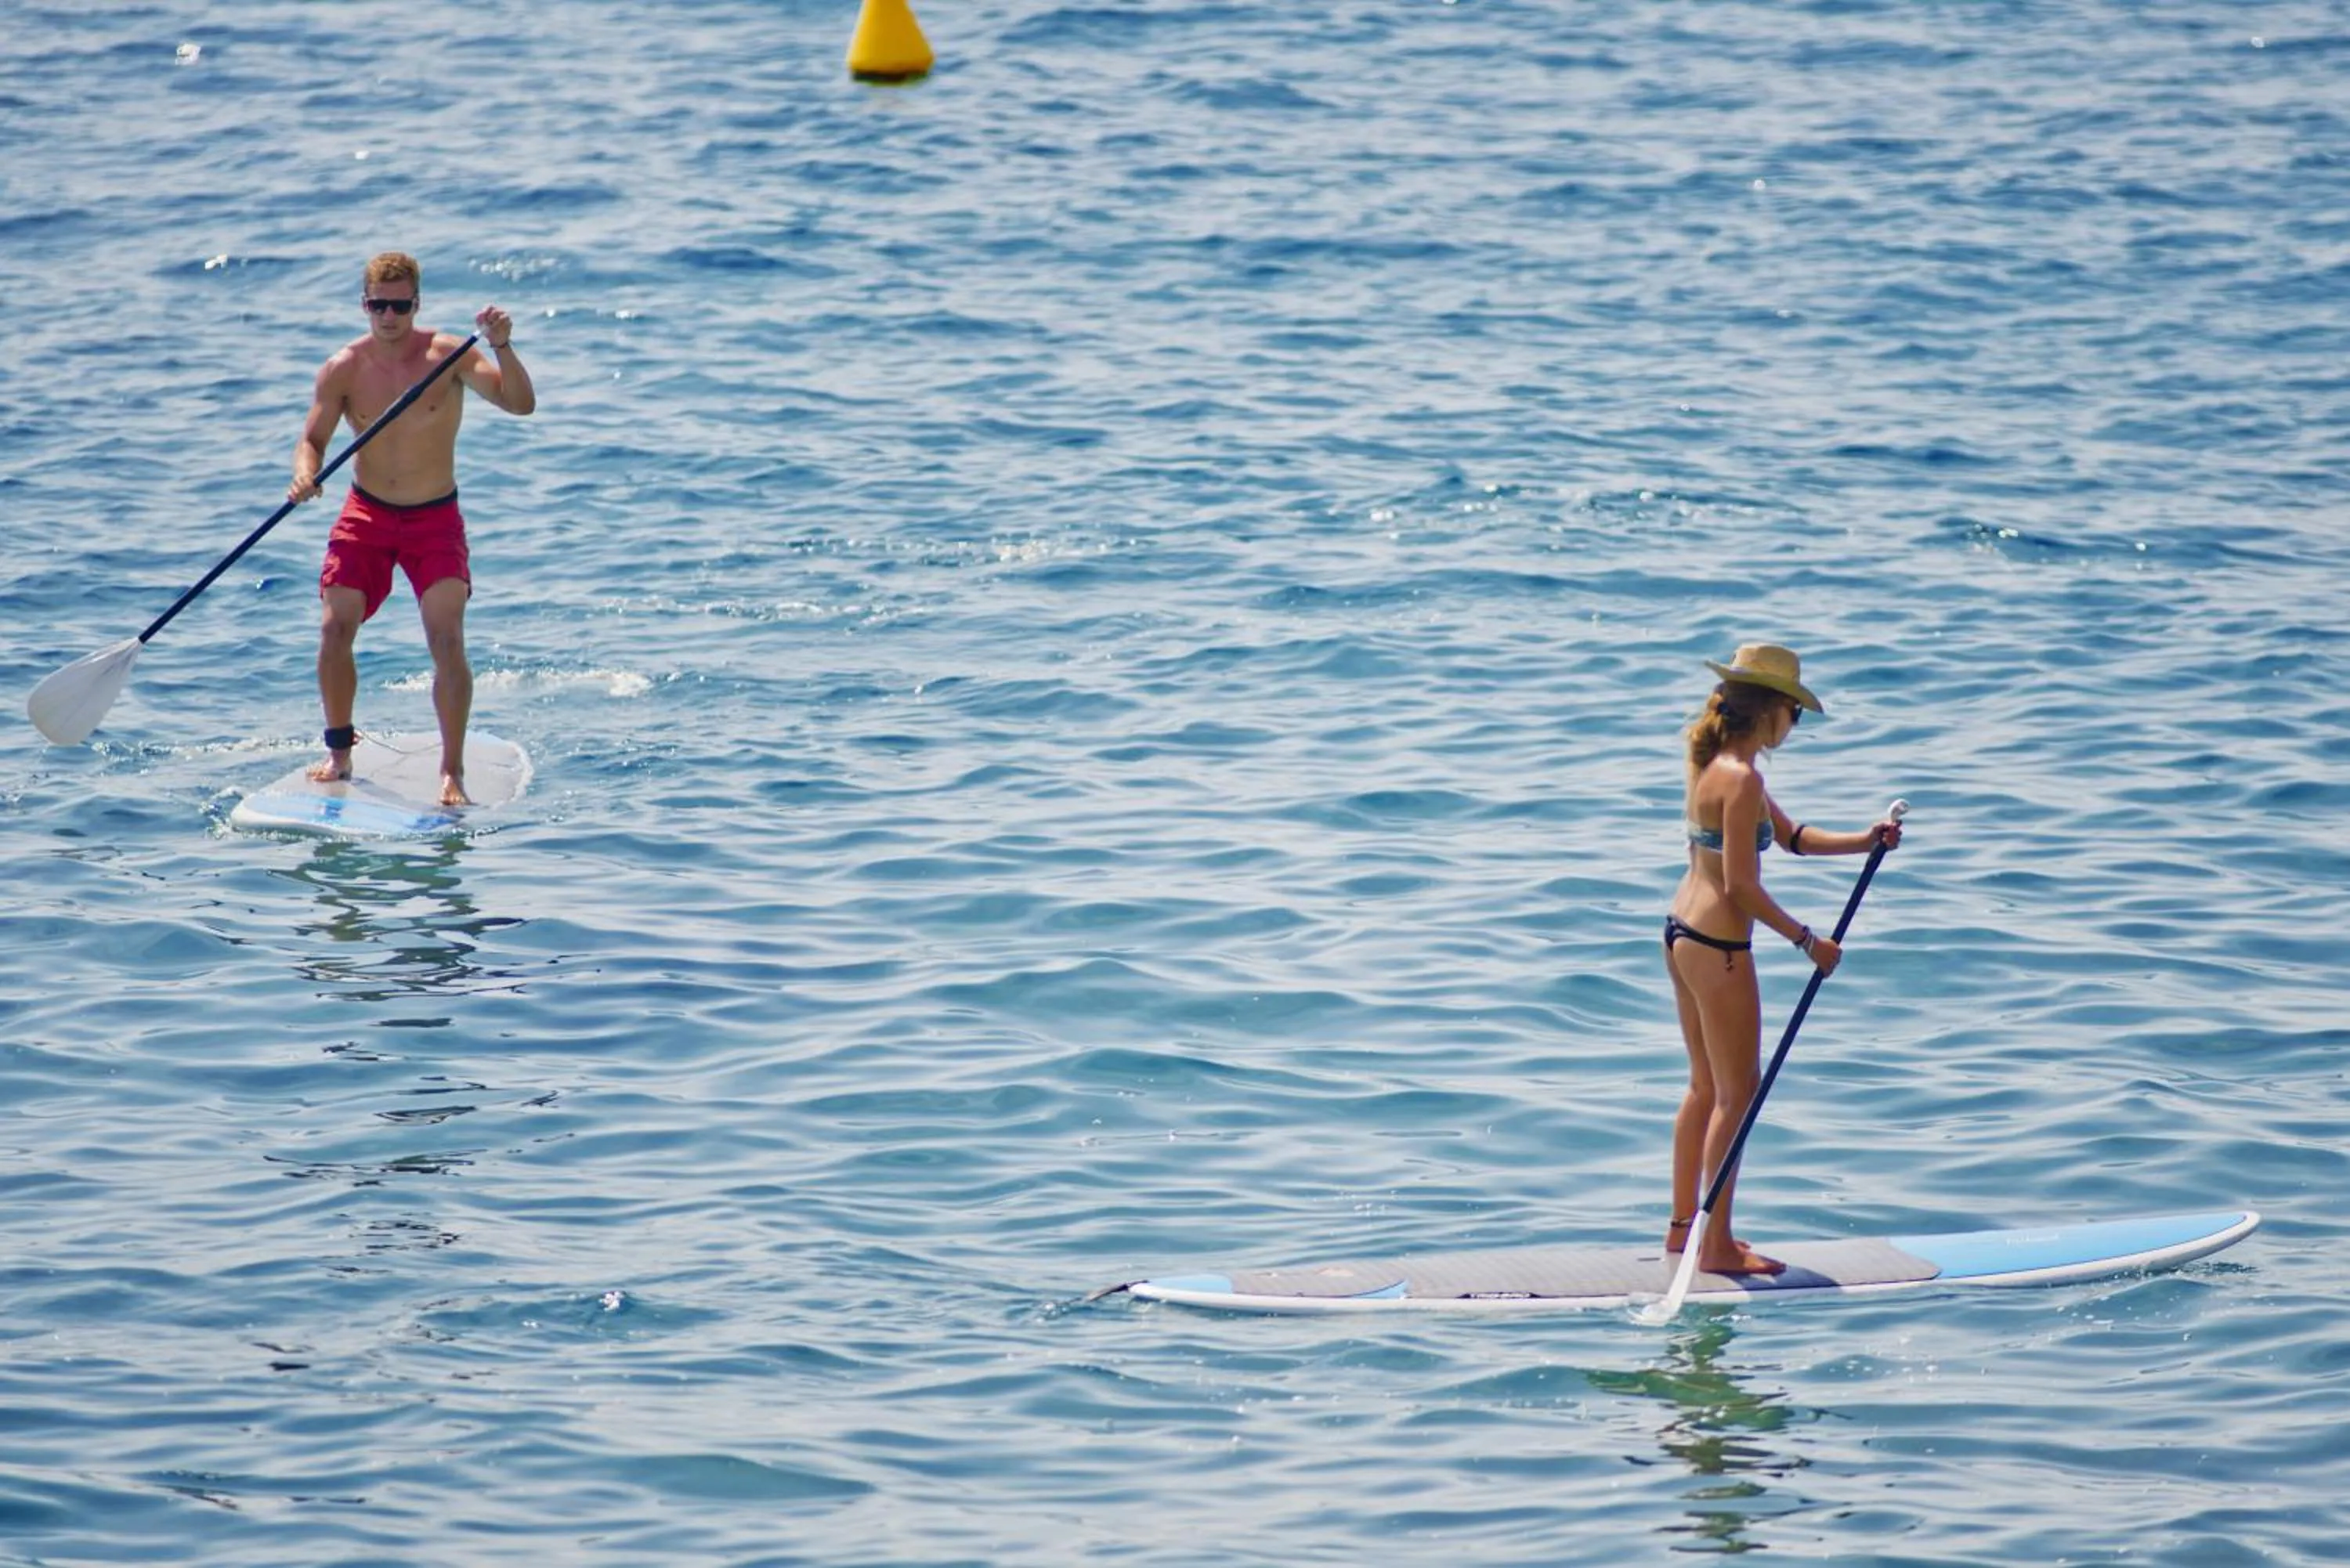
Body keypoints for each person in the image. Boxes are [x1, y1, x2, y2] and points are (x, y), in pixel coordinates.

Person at [1661, 644, 1901, 1275]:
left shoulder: (1717, 765)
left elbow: (1791, 840)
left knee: (1704, 1088)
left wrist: (1864, 840)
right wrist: (1807, 941)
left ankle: (1684, 1227)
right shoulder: (1743, 779)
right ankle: (1715, 1246)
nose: (1794, 724)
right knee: (1736, 1095)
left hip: (1681, 933)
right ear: (1769, 711)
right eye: (1794, 712)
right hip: (1719, 949)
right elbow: (1741, 885)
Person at [287, 251, 536, 806]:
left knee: (446, 637)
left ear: (416, 305)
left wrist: (501, 345)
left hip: (434, 518)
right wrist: (305, 474)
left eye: (400, 306)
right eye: (379, 306)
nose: (390, 316)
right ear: (365, 306)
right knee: (334, 629)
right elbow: (313, 441)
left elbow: (520, 404)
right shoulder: (343, 368)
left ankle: (452, 772)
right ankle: (339, 754)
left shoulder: (448, 356)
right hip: (366, 513)